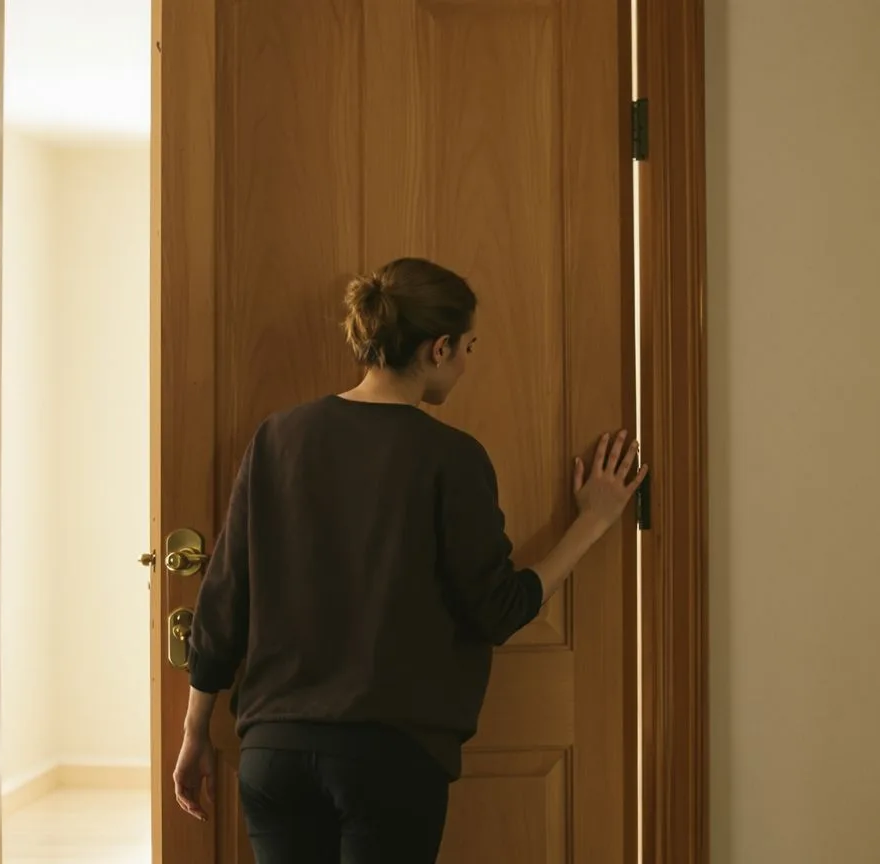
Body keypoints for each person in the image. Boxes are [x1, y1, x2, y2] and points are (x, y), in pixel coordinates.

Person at [171, 257, 648, 863]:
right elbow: (496, 609)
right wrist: (595, 520)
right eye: (469, 347)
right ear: (439, 348)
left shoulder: (278, 438)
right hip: (388, 758)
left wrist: (194, 734)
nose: (468, 364)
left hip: (274, 752)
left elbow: (222, 600)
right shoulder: (450, 458)